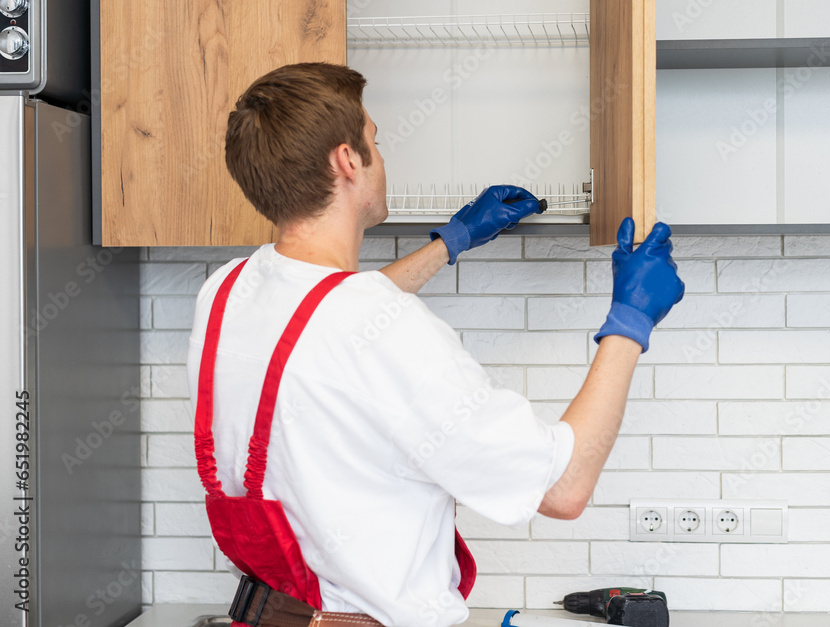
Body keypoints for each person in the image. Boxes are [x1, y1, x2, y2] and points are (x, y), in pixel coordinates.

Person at [186, 62, 685, 627]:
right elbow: (564, 488)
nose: (381, 152)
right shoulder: (381, 326)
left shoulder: (225, 291)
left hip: (267, 617)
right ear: (347, 161)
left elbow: (321, 321)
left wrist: (451, 243)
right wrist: (631, 320)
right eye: (375, 139)